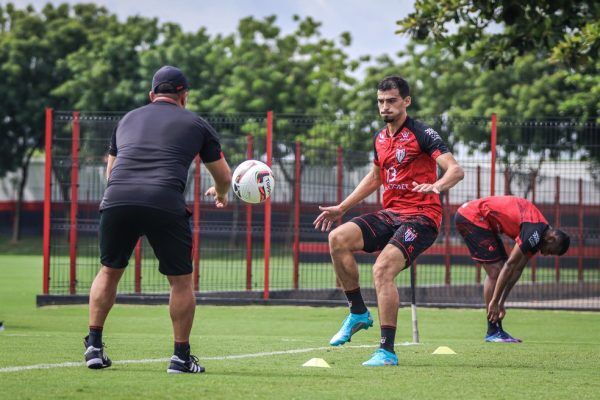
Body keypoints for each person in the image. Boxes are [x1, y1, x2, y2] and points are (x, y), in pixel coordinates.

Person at [84, 66, 231, 374]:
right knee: (180, 281)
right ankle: (180, 357)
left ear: (152, 95)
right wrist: (220, 194)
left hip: (117, 199)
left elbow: (111, 172)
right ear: (184, 96)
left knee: (109, 271)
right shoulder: (197, 124)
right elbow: (223, 176)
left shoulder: (127, 119)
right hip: (163, 200)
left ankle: (94, 347)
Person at [313, 76, 464, 366]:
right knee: (337, 239)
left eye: (392, 100)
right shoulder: (380, 138)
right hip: (391, 215)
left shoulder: (423, 133)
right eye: (381, 101)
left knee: (382, 269)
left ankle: (386, 351)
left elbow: (455, 170)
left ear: (406, 101)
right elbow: (375, 178)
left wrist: (438, 185)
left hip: (422, 218)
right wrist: (342, 207)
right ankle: (357, 312)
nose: (385, 106)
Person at [454, 195, 570, 342]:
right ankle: (492, 331)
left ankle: (496, 331)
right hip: (471, 216)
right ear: (551, 239)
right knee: (496, 271)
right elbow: (510, 265)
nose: (546, 254)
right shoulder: (533, 233)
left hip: (483, 221)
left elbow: (517, 269)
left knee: (501, 268)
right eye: (551, 251)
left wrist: (501, 301)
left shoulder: (539, 238)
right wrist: (495, 301)